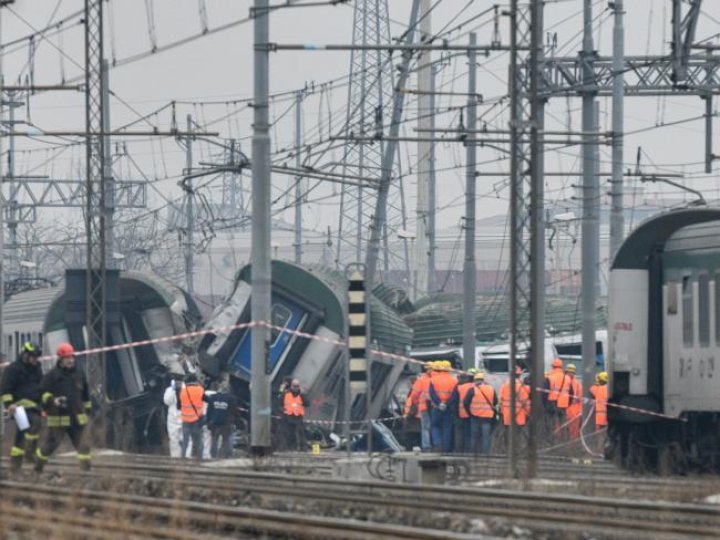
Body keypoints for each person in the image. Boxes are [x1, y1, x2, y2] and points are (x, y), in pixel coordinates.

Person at [35, 343, 92, 472]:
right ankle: (37, 468)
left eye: (72, 357)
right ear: (60, 359)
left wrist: (88, 410)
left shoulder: (79, 373)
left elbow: (86, 395)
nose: (70, 360)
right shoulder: (52, 375)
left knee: (83, 447)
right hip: (58, 419)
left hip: (76, 419)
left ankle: (86, 472)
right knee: (49, 446)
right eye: (67, 358)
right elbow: (41, 393)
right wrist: (52, 400)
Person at [0, 342, 44, 472]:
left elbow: (41, 385)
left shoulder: (36, 368)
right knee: (26, 428)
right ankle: (17, 464)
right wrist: (10, 405)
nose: (35, 360)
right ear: (25, 355)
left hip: (35, 406)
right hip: (18, 407)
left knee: (34, 427)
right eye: (33, 357)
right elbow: (6, 391)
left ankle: (28, 455)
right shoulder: (12, 370)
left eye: (37, 357)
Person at [427, 360, 457, 453]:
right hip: (448, 408)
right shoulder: (454, 380)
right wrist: (446, 404)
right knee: (447, 428)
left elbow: (432, 394)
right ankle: (446, 449)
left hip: (436, 408)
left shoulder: (433, 379)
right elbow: (454, 395)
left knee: (435, 426)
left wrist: (439, 403)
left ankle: (438, 445)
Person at [464, 372, 497, 455]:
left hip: (475, 416)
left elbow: (465, 402)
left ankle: (473, 453)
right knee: (486, 437)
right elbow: (495, 401)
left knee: (474, 436)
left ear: (475, 380)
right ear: (483, 380)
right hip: (487, 416)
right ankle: (485, 454)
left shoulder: (472, 389)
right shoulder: (491, 388)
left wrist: (469, 412)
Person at [404, 362, 433, 450]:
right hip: (434, 408)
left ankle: (426, 446)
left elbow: (414, 397)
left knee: (424, 429)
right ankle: (433, 445)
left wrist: (411, 411)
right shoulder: (435, 380)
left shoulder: (421, 380)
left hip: (419, 412)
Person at [499, 367, 531, 447]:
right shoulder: (522, 387)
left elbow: (500, 401)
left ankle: (508, 450)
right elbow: (526, 402)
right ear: (519, 375)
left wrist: (502, 413)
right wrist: (528, 413)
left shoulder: (504, 386)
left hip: (507, 416)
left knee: (508, 435)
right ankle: (518, 451)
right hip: (519, 416)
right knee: (519, 435)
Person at [206, 382, 238, 458]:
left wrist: (208, 421)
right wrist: (234, 421)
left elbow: (209, 410)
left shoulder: (213, 397)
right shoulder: (231, 398)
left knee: (214, 440)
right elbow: (234, 411)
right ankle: (225, 456)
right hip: (226, 423)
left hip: (214, 422)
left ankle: (213, 456)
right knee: (226, 440)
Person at [180, 373, 205, 459]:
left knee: (185, 441)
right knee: (198, 441)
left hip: (185, 419)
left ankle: (182, 459)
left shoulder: (183, 391)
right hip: (196, 420)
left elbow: (181, 403)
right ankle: (200, 459)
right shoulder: (200, 390)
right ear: (195, 380)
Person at [452, 368, 475, 453]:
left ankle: (458, 451)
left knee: (459, 434)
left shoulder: (459, 388)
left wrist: (455, 413)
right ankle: (468, 451)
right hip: (471, 414)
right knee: (469, 434)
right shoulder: (474, 387)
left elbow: (454, 401)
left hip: (459, 414)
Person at [556, 363, 582, 439]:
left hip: (573, 408)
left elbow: (580, 397)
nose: (571, 374)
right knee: (560, 425)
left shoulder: (577, 383)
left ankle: (572, 442)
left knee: (573, 426)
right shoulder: (562, 380)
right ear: (566, 371)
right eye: (569, 372)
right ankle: (560, 440)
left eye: (572, 372)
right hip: (562, 406)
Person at [283, 379, 309, 451]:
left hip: (298, 417)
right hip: (289, 416)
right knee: (289, 434)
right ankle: (291, 448)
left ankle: (303, 448)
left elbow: (307, 404)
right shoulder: (286, 394)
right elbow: (280, 403)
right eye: (294, 386)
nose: (296, 388)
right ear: (291, 386)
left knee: (301, 434)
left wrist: (303, 395)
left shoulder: (301, 395)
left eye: (297, 386)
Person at [163, 375, 184, 458]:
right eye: (176, 381)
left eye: (179, 381)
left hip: (184, 415)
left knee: (185, 438)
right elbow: (167, 401)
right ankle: (175, 458)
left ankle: (186, 457)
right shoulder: (169, 390)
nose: (178, 383)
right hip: (173, 417)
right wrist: (173, 390)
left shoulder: (186, 389)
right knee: (173, 439)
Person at [544, 358, 566, 434]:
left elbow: (545, 392)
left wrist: (544, 403)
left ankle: (551, 440)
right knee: (563, 423)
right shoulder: (567, 378)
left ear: (553, 366)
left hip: (551, 403)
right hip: (563, 404)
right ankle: (564, 440)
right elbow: (571, 393)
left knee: (550, 422)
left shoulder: (549, 377)